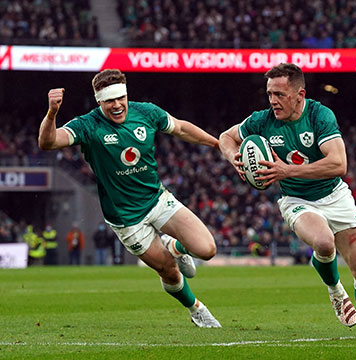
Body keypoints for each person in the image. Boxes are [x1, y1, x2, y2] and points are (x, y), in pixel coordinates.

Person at [219, 63, 356, 339]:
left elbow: (338, 164)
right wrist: (235, 158)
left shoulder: (318, 115)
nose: (273, 101)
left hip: (336, 196)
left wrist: (286, 170)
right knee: (324, 242)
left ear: (300, 94)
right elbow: (226, 137)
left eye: (280, 94)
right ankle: (336, 292)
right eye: (269, 94)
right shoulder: (262, 121)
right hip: (296, 199)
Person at [38, 69, 221, 328]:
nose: (117, 105)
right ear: (99, 101)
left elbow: (180, 128)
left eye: (120, 98)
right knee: (168, 270)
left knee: (208, 250)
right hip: (126, 218)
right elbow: (48, 142)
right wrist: (52, 113)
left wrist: (216, 144)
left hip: (157, 200)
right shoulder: (88, 125)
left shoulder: (145, 112)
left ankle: (175, 247)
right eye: (109, 100)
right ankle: (196, 309)